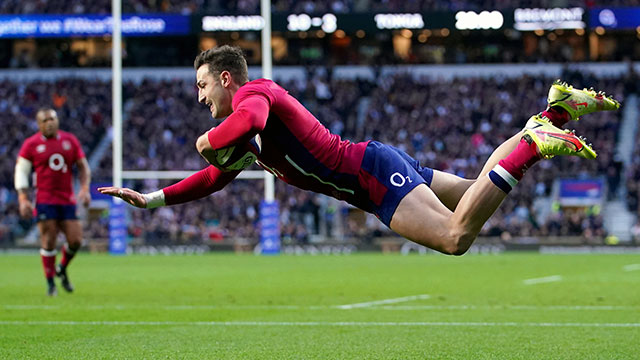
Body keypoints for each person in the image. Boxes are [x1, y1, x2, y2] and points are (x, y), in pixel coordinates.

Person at [99, 46, 619, 256]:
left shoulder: (254, 95)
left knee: (456, 237)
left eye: (202, 85)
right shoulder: (242, 136)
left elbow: (248, 122)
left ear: (226, 78)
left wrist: (203, 141)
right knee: (476, 189)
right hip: (376, 165)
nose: (199, 95)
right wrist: (153, 200)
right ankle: (554, 114)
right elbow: (215, 178)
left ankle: (530, 144)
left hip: (370, 175)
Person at [15, 108, 91, 296]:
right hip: (45, 200)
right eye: (45, 120)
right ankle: (50, 284)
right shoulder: (31, 144)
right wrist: (23, 198)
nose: (49, 122)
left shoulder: (69, 140)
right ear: (39, 124)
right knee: (48, 241)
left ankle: (62, 268)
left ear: (57, 120)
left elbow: (83, 167)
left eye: (52, 118)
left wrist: (84, 188)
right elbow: (21, 172)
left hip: (67, 199)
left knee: (76, 240)